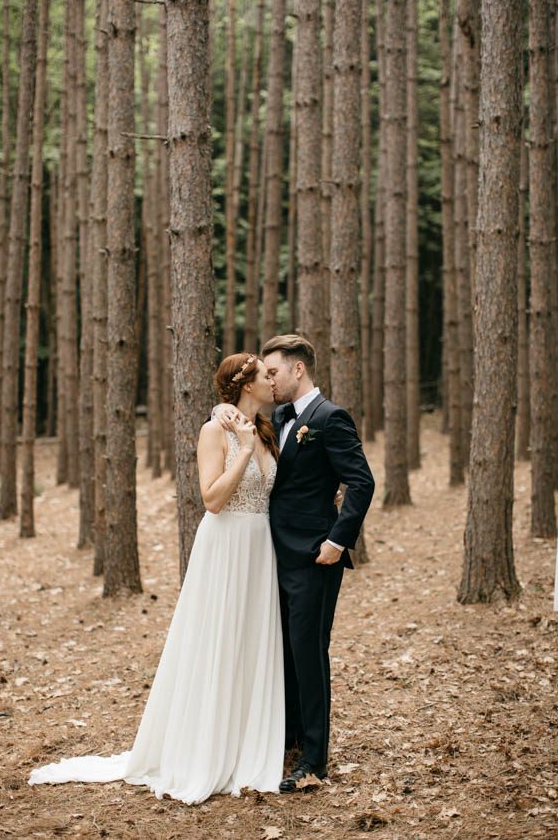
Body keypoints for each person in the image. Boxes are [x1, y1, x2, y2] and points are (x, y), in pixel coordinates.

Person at [29, 354, 285, 805]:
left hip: (259, 549)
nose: (274, 379)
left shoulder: (269, 427)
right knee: (218, 643)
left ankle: (247, 746)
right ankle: (207, 751)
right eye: (267, 375)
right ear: (247, 385)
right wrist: (241, 449)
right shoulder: (216, 433)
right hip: (224, 548)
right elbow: (211, 500)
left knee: (250, 643)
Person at [214, 335, 375, 792]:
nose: (269, 378)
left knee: (308, 652)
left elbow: (361, 483)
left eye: (274, 370)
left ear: (297, 370)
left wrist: (337, 541)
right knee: (281, 650)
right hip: (271, 557)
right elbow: (234, 419)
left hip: (313, 558)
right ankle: (287, 737)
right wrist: (217, 412)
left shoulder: (329, 418)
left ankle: (315, 757)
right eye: (264, 373)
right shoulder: (280, 417)